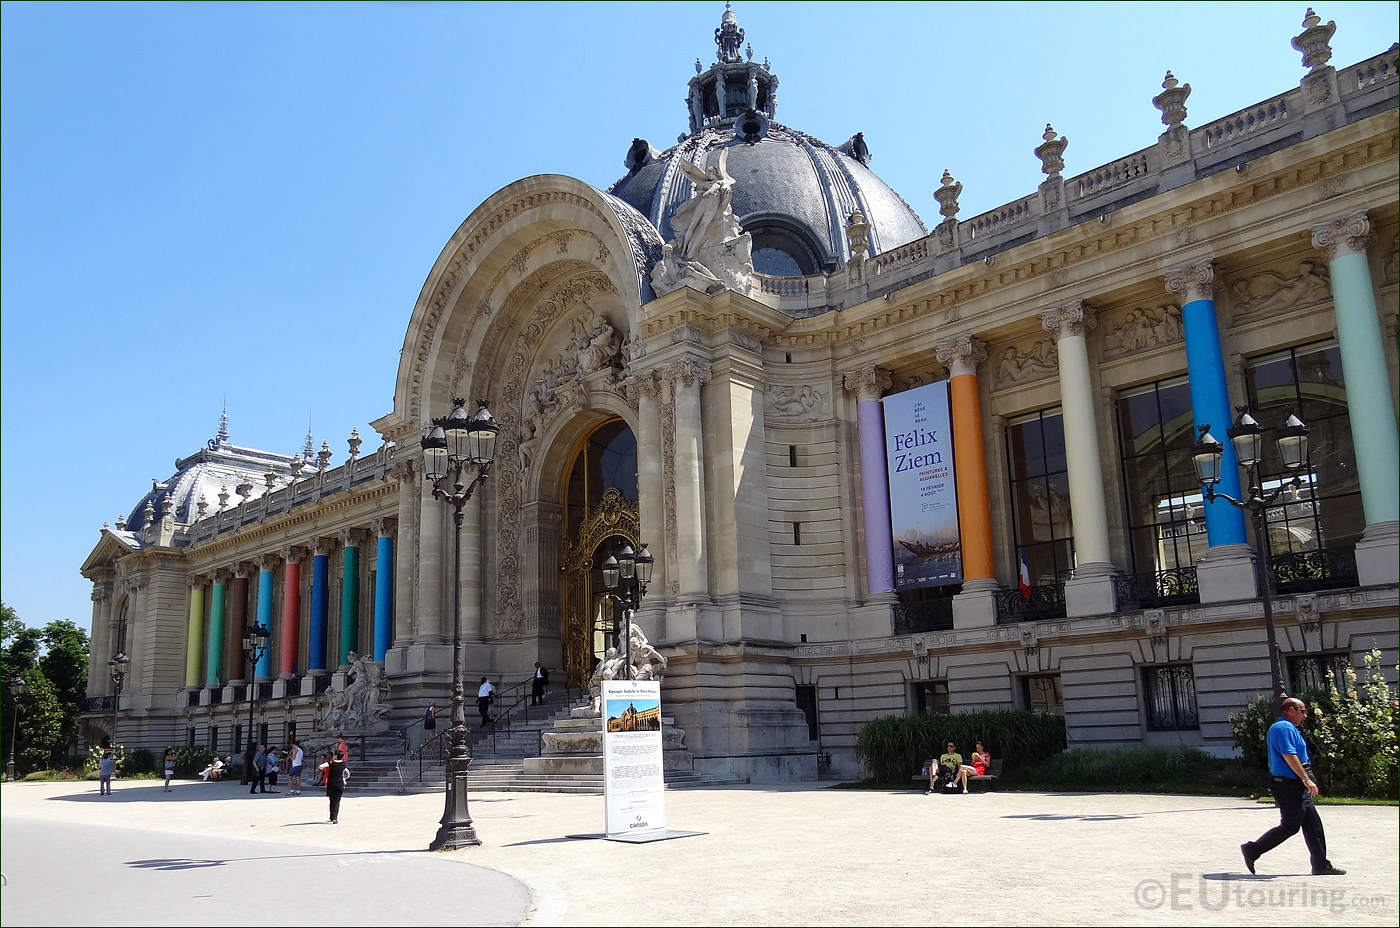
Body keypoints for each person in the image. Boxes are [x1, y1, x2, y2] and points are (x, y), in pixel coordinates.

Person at [1241, 697, 1346, 876]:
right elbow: (1290, 756)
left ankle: (1321, 865)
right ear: (1290, 710)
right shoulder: (1283, 728)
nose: (1305, 715)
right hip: (1288, 785)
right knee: (1290, 826)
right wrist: (1307, 779)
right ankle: (1253, 849)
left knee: (1313, 825)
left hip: (1295, 784)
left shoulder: (1290, 728)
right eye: (1303, 711)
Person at [319, 749, 348, 825]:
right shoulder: (343, 764)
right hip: (340, 784)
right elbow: (346, 773)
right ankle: (335, 817)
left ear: (335, 756)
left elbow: (321, 766)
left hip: (331, 784)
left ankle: (332, 816)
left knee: (332, 801)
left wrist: (325, 769)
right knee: (337, 801)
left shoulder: (331, 763)